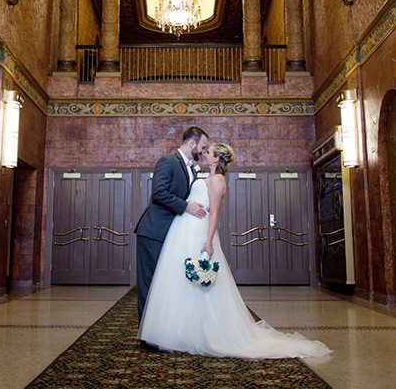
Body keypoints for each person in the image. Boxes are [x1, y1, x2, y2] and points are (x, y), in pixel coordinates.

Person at [138, 143, 331, 359]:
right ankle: (180, 330)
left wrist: (208, 242)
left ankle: (202, 331)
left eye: (208, 153)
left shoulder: (218, 180)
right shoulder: (203, 175)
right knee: (180, 282)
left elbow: (214, 213)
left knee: (199, 284)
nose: (204, 154)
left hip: (198, 231)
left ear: (216, 160)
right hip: (182, 230)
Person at [135, 126, 209, 322]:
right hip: (154, 231)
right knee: (150, 283)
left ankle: (162, 328)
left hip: (171, 233)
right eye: (202, 147)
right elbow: (159, 192)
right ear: (192, 143)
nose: (203, 152)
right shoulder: (168, 161)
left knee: (164, 284)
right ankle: (147, 333)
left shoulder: (189, 166)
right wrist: (186, 207)